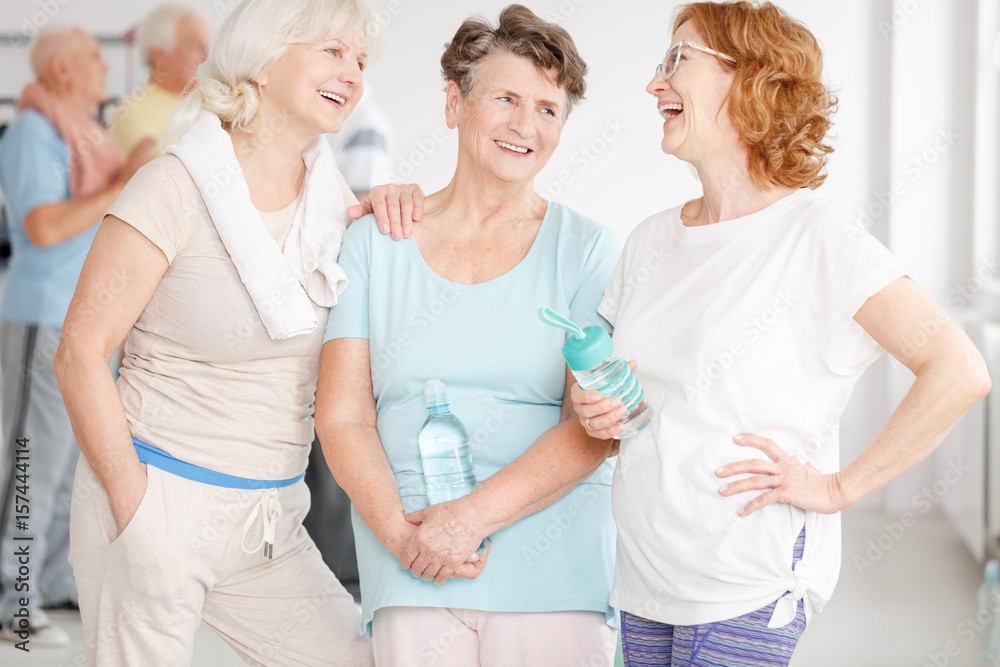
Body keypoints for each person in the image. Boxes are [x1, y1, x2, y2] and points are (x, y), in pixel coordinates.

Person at [570, 2, 991, 665]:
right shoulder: (650, 240)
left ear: (752, 80)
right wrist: (597, 408)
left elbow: (959, 368)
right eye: (661, 62)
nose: (656, 83)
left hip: (746, 582)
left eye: (678, 60)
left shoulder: (817, 237)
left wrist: (837, 487)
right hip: (645, 581)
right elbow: (636, 401)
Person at [52, 0, 405, 662]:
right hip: (158, 496)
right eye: (333, 50)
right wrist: (137, 507)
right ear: (265, 59)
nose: (353, 72)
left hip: (270, 522)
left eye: (360, 58)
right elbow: (78, 353)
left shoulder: (338, 211)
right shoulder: (173, 186)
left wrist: (402, 208)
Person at [317, 6, 620, 666]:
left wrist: (467, 520)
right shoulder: (375, 242)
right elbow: (342, 414)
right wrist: (405, 537)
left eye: (548, 108)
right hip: (412, 566)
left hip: (552, 574)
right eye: (506, 98)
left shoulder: (587, 250)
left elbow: (591, 427)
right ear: (455, 102)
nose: (525, 124)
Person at [0, 25, 154, 648]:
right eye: (92, 57)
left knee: (68, 464)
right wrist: (125, 184)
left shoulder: (82, 132)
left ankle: (54, 581)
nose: (103, 67)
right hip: (44, 318)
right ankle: (16, 598)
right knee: (33, 462)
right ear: (61, 69)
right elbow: (41, 225)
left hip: (87, 322)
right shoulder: (36, 132)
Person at [108, 4, 211, 156]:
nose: (206, 57)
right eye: (196, 46)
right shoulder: (129, 114)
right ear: (159, 55)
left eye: (207, 46)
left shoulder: (214, 104)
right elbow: (163, 176)